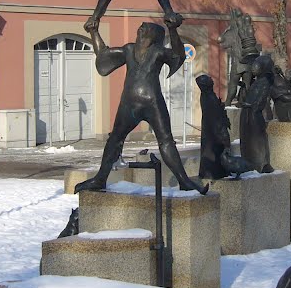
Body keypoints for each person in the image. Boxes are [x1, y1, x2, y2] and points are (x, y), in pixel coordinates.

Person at [75, 19, 208, 194]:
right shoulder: (129, 49)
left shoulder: (158, 51)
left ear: (154, 35)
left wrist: (173, 29)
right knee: (115, 139)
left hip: (152, 102)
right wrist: (94, 32)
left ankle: (184, 181)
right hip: (129, 103)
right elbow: (104, 58)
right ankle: (100, 179)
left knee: (166, 141)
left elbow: (178, 56)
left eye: (147, 27)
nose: (142, 27)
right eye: (141, 26)